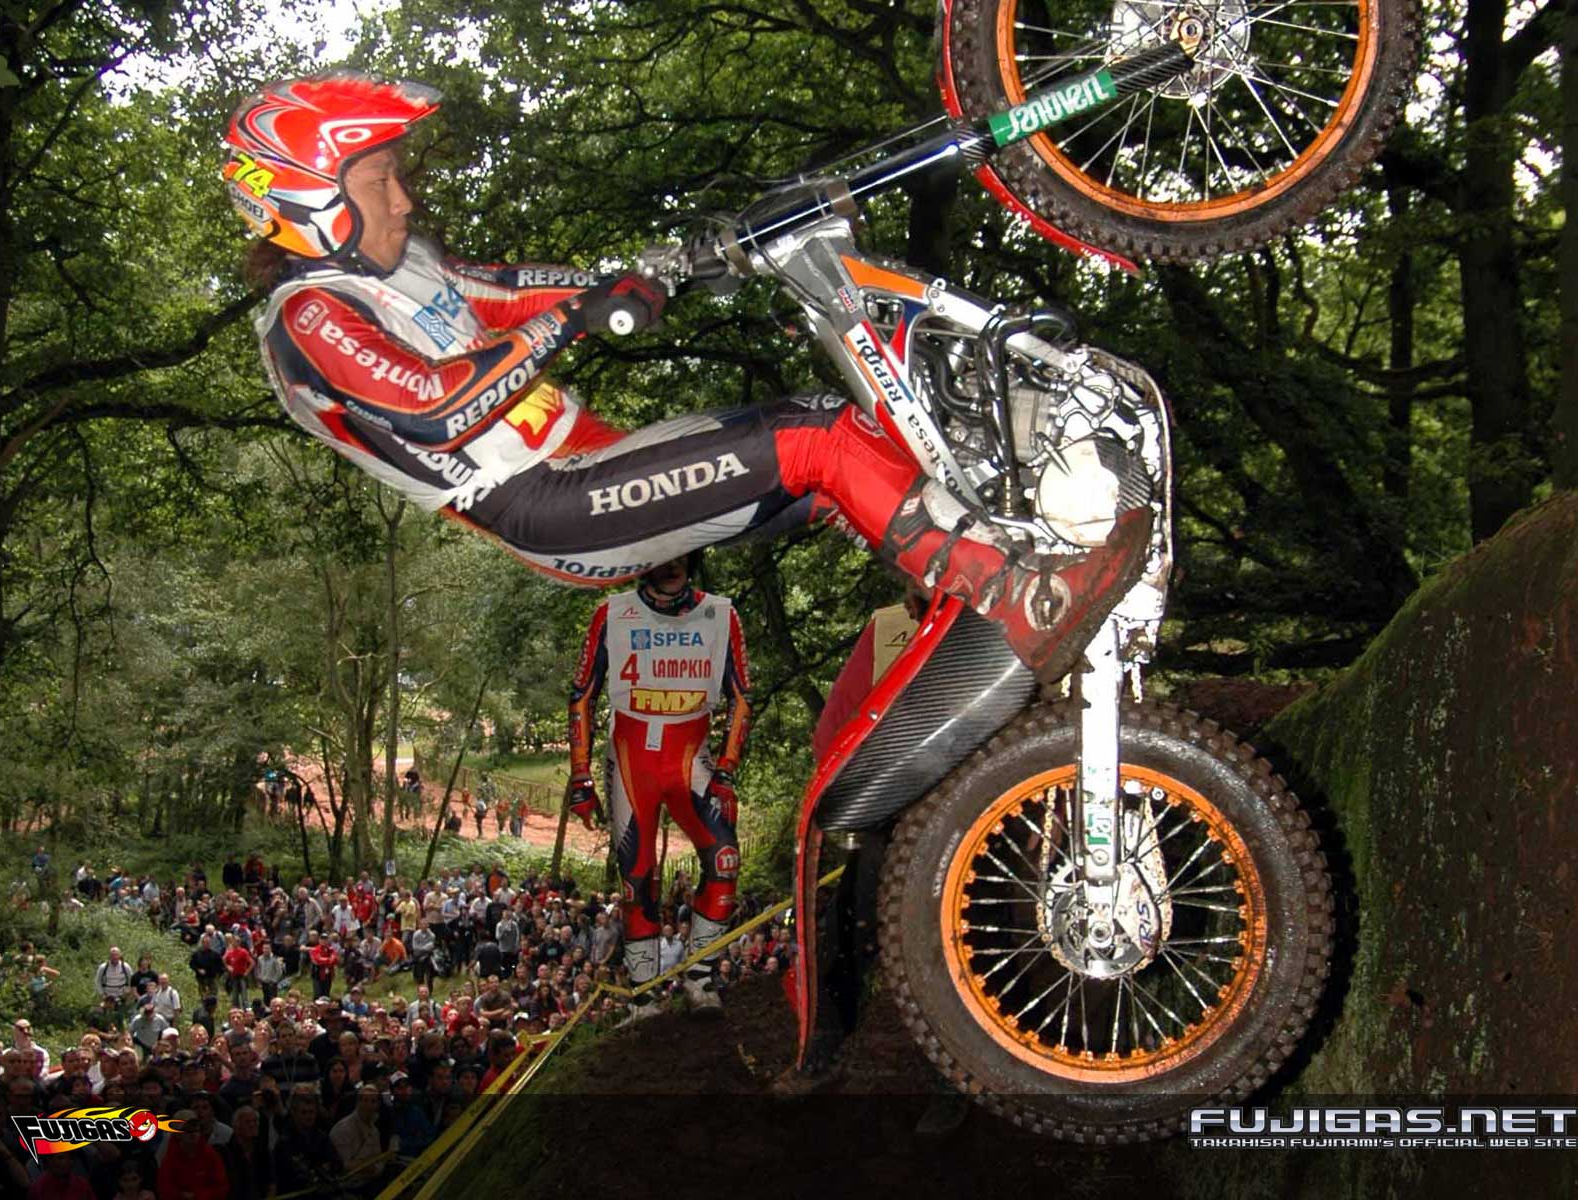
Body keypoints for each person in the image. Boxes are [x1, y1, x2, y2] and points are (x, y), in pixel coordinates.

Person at [221, 73, 1150, 713]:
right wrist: (573, 319)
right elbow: (434, 406)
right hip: (545, 504)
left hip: (595, 461)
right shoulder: (308, 320)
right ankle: (1019, 598)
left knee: (835, 439)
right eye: (381, 181)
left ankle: (987, 594)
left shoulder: (406, 264)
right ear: (308, 200)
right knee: (815, 440)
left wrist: (651, 272)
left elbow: (511, 291)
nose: (404, 200)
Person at [568, 555, 750, 1018]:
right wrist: (580, 775)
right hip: (633, 760)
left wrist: (727, 767)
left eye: (680, 554)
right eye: (661, 556)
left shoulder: (720, 613)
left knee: (725, 859)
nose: (672, 565)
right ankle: (644, 996)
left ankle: (700, 977)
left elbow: (743, 696)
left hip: (691, 760)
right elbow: (582, 694)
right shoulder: (612, 613)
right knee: (637, 877)